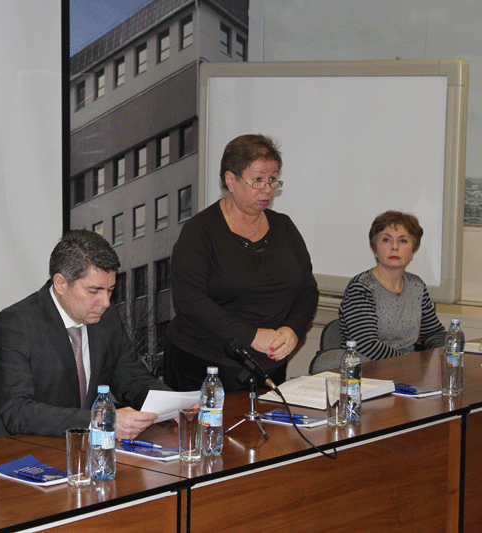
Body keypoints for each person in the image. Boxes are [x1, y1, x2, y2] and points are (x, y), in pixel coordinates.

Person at [0, 230, 171, 443]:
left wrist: (177, 404)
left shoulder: (107, 318)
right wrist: (98, 420)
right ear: (61, 283)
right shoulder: (17, 324)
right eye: (94, 291)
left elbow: (134, 380)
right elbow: (18, 411)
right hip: (11, 448)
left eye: (110, 290)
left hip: (78, 446)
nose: (105, 302)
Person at [165, 134, 319, 392]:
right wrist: (251, 336)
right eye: (257, 180)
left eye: (272, 179)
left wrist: (293, 330)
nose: (267, 189)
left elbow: (307, 289)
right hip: (205, 365)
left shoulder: (284, 227)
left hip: (269, 363)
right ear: (231, 180)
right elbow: (189, 300)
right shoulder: (200, 231)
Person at [339, 211, 445, 359]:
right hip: (368, 369)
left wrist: (444, 352)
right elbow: (367, 346)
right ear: (375, 249)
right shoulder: (361, 288)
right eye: (386, 240)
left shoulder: (417, 286)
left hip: (408, 367)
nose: (394, 247)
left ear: (413, 251)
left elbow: (433, 333)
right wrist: (409, 363)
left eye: (403, 241)